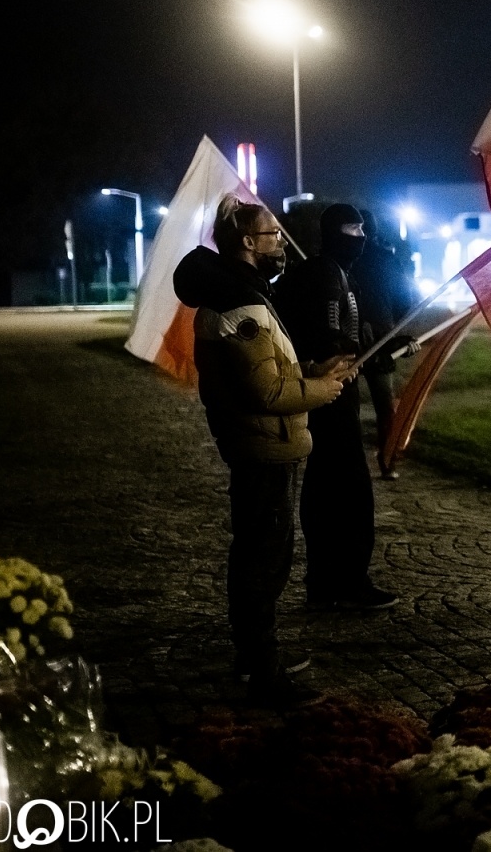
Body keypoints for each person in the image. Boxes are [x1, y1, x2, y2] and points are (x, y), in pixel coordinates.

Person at [173, 197, 353, 707]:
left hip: (265, 443)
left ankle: (257, 652)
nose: (282, 243)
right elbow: (266, 394)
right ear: (248, 243)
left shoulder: (242, 295)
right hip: (264, 447)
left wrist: (317, 373)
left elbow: (272, 374)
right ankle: (263, 670)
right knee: (263, 559)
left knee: (263, 553)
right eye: (273, 235)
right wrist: (322, 393)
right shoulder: (241, 306)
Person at [276, 203, 398, 611]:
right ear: (332, 232)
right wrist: (342, 351)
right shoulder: (325, 273)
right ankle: (341, 582)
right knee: (344, 492)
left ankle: (334, 580)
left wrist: (372, 347)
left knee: (339, 488)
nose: (360, 234)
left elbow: (348, 331)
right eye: (351, 227)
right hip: (327, 398)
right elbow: (326, 332)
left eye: (363, 226)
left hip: (338, 394)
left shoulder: (341, 273)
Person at [349, 209, 419, 480]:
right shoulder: (384, 259)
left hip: (367, 339)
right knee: (382, 406)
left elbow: (402, 299)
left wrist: (398, 335)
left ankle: (371, 460)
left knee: (356, 405)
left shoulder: (352, 259)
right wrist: (396, 331)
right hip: (373, 338)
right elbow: (405, 300)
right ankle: (387, 461)